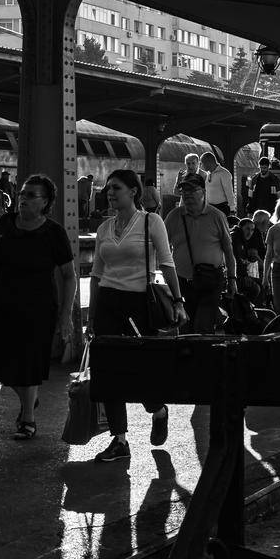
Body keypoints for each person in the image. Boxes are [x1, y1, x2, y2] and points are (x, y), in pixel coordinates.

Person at [88, 169, 183, 462]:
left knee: (141, 370)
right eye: (107, 189)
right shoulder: (104, 228)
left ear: (133, 191)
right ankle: (120, 440)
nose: (110, 192)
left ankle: (158, 409)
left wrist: (178, 301)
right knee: (109, 373)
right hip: (107, 303)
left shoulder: (150, 221)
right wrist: (91, 315)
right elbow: (96, 274)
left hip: (138, 304)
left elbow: (167, 264)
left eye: (116, 187)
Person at [0, 175, 75, 439]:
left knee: (29, 363)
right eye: (22, 193)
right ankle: (29, 400)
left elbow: (69, 276)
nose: (23, 198)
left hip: (39, 306)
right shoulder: (6, 223)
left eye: (31, 195)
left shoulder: (54, 232)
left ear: (45, 202)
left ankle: (28, 419)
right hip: (5, 303)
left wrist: (65, 314)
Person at [166, 173, 237, 333]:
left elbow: (228, 250)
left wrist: (232, 278)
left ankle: (204, 356)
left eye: (192, 190)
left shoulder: (216, 216)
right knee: (186, 328)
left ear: (204, 192)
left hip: (211, 281)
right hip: (182, 283)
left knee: (203, 326)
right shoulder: (174, 217)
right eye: (184, 191)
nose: (187, 194)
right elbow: (163, 249)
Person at [200, 151, 235, 222]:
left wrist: (232, 210)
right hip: (210, 208)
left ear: (209, 162)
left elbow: (229, 192)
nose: (201, 166)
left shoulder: (224, 173)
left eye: (202, 163)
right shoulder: (208, 174)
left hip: (222, 209)